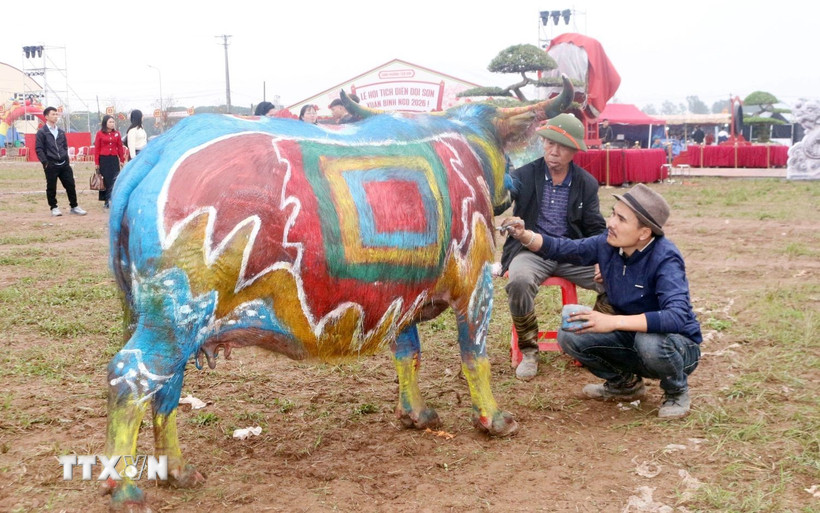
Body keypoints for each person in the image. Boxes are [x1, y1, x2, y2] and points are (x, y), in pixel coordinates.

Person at [500, 184, 701, 418]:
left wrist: (612, 322)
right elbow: (564, 248)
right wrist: (524, 235)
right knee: (571, 334)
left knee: (649, 341)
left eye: (621, 219)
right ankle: (625, 385)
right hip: (632, 337)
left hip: (676, 346)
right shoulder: (607, 244)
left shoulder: (665, 257)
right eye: (613, 213)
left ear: (644, 233)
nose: (610, 223)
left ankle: (676, 392)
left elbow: (677, 317)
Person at [500, 113, 608, 381]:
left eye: (562, 146)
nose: (554, 151)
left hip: (572, 252)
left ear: (574, 151)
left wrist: (604, 259)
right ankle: (529, 350)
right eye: (549, 143)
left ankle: (592, 341)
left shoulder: (585, 183)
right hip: (531, 250)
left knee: (614, 279)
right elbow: (499, 203)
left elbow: (596, 227)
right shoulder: (524, 175)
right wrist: (501, 195)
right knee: (519, 281)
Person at [35, 106, 87, 217]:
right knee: (51, 187)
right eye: (53, 114)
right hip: (51, 164)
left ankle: (74, 206)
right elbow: (39, 149)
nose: (55, 116)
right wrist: (45, 162)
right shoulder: (42, 132)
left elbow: (64, 146)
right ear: (46, 116)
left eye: (56, 114)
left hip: (64, 163)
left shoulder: (61, 132)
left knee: (70, 185)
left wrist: (66, 160)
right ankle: (54, 207)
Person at [94, 115, 126, 209]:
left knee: (115, 179)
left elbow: (120, 147)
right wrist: (96, 162)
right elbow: (97, 148)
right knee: (106, 180)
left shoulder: (117, 133)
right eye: (110, 122)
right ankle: (106, 200)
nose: (112, 124)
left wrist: (122, 159)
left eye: (113, 122)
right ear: (105, 123)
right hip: (104, 159)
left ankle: (113, 198)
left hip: (113, 159)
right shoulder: (100, 134)